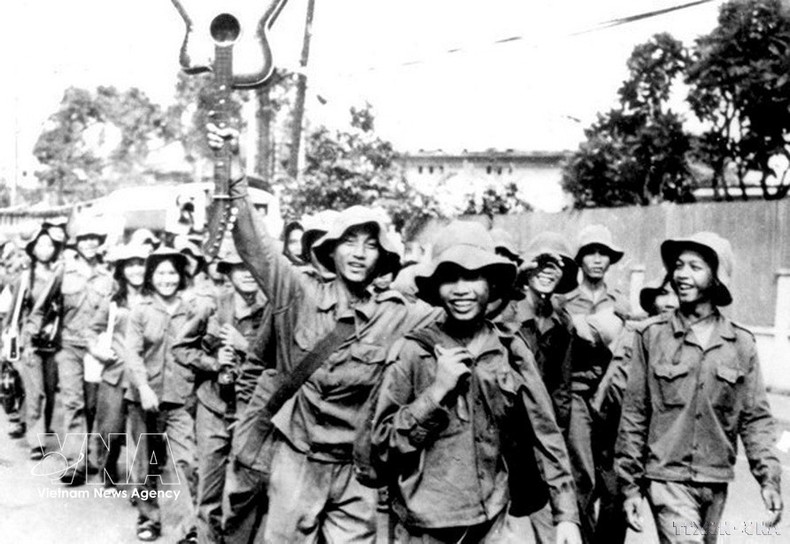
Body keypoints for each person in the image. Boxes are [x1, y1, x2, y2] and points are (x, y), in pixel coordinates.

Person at [207, 122, 441, 543]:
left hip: (357, 467)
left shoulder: (396, 313)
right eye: (349, 242)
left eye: (370, 245)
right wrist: (233, 170)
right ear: (331, 251)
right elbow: (256, 246)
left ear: (383, 257)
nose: (359, 253)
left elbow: (453, 318)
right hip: (298, 458)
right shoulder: (298, 292)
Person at [371, 221, 581, 544]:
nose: (462, 290)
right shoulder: (414, 351)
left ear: (493, 284)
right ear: (436, 287)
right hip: (425, 526)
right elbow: (382, 445)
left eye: (473, 277)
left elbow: (546, 435)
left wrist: (566, 515)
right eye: (450, 278)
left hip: (492, 520)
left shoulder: (510, 350)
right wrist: (436, 392)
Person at [616, 232, 783, 544]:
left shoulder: (741, 343)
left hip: (715, 479)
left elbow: (755, 419)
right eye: (678, 266)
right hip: (667, 478)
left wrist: (769, 479)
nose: (681, 274)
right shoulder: (651, 337)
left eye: (695, 267)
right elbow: (635, 414)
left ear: (716, 277)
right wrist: (630, 486)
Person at [173, 242, 271, 544]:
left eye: (251, 267)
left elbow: (283, 362)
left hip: (251, 411)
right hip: (213, 407)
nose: (247, 274)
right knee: (209, 489)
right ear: (227, 272)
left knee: (248, 489)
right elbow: (181, 347)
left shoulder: (271, 312)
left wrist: (247, 348)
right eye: (239, 267)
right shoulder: (212, 307)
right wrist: (213, 363)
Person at [499, 232, 578, 543]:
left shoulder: (562, 322)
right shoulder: (507, 313)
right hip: (505, 434)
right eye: (541, 263)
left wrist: (555, 434)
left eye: (556, 266)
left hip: (540, 436)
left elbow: (562, 386)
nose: (547, 271)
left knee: (554, 523)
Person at [589, 275, 678, 544]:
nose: (670, 302)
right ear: (652, 301)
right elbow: (618, 388)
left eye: (675, 294)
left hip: (663, 444)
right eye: (663, 294)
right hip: (619, 434)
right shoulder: (635, 332)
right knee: (614, 506)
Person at [26, 218, 114, 485]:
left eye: (94, 237)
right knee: (73, 403)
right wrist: (30, 335)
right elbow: (41, 306)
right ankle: (75, 462)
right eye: (84, 237)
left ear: (100, 242)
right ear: (77, 242)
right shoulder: (65, 270)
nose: (89, 242)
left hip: (97, 350)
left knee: (92, 406)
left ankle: (93, 457)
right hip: (69, 346)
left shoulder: (109, 275)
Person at [556, 224, 630, 541]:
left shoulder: (622, 301)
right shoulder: (565, 301)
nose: (597, 260)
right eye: (591, 253)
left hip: (614, 398)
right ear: (581, 259)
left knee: (615, 479)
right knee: (581, 475)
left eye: (604, 254)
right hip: (579, 394)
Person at [124, 248, 199, 543]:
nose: (167, 279)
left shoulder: (192, 309)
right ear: (151, 276)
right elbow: (132, 352)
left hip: (180, 398)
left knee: (185, 461)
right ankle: (148, 517)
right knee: (147, 463)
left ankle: (187, 527)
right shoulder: (140, 310)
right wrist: (142, 387)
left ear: (181, 276)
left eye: (172, 273)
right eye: (160, 273)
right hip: (144, 399)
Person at [86, 243, 150, 484]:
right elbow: (92, 330)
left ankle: (139, 485)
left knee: (140, 433)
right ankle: (107, 466)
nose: (136, 270)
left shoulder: (153, 299)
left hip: (143, 375)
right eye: (130, 265)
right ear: (122, 270)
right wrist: (98, 351)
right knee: (110, 430)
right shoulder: (113, 301)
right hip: (114, 373)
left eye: (141, 264)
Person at [3, 222, 65, 457]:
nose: (46, 249)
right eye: (41, 244)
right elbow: (13, 313)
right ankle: (36, 441)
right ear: (32, 249)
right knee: (36, 390)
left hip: (53, 341)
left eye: (50, 244)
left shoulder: (61, 275)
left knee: (49, 391)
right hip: (29, 342)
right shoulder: (24, 278)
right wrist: (7, 341)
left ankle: (42, 427)